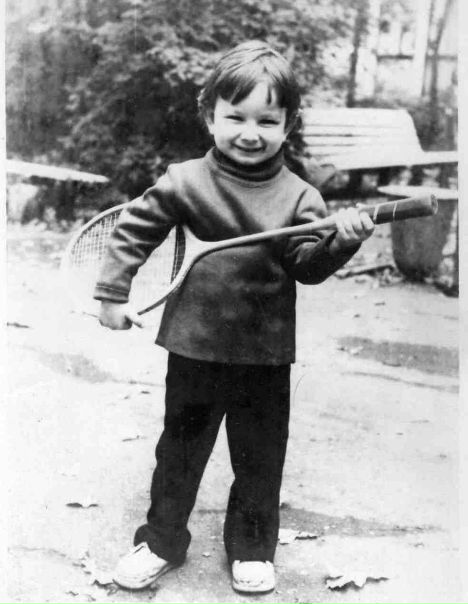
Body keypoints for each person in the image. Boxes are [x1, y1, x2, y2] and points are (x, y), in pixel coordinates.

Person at [94, 40, 375, 593]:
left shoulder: (301, 199)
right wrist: (111, 294)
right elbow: (133, 231)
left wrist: (341, 242)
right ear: (209, 117)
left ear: (288, 125)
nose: (251, 132)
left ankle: (251, 549)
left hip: (264, 353)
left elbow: (307, 268)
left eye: (267, 121)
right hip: (194, 346)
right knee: (179, 451)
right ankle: (160, 541)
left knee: (259, 459)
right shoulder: (184, 181)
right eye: (236, 117)